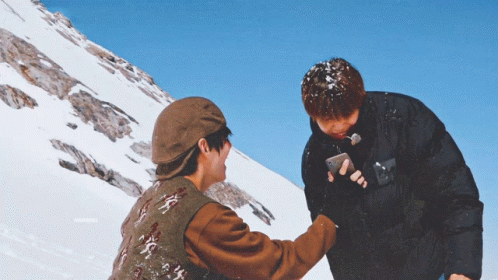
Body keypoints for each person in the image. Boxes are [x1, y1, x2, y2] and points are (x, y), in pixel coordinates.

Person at [109, 97, 362, 279]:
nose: (230, 148)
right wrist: (331, 218)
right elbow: (278, 266)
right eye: (225, 140)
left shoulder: (149, 202)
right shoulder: (201, 216)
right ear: (204, 147)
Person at [300, 57, 483, 280]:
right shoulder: (314, 158)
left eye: (346, 115)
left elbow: (457, 195)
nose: (338, 126)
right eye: (328, 119)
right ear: (312, 114)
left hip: (435, 270)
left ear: (359, 100)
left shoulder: (404, 118)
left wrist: (462, 269)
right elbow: (334, 243)